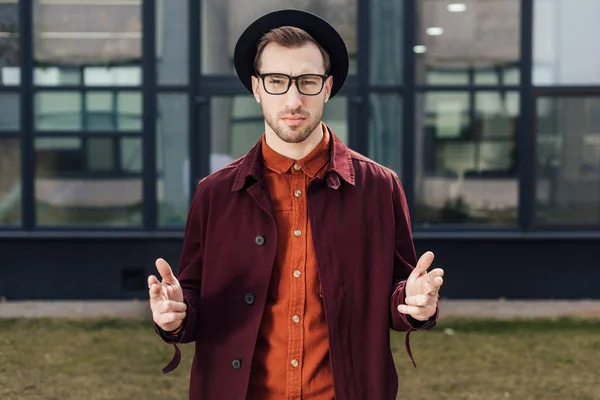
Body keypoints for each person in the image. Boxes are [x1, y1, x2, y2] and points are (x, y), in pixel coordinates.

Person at [148, 9, 444, 400]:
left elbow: (398, 294)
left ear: (327, 86)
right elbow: (194, 300)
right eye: (276, 81)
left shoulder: (379, 187)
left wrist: (415, 304)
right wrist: (174, 316)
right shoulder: (215, 193)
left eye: (307, 81)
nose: (293, 98)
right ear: (256, 88)